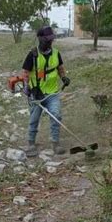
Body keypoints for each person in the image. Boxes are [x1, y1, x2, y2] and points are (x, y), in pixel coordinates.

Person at [21, 26, 71, 157]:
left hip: (52, 93)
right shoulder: (32, 55)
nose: (50, 42)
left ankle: (56, 143)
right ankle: (31, 143)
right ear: (40, 39)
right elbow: (25, 73)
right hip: (36, 94)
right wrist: (27, 87)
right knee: (34, 119)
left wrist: (64, 77)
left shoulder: (56, 53)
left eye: (51, 40)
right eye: (47, 40)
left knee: (56, 115)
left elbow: (60, 68)